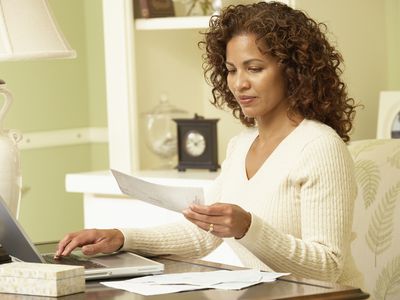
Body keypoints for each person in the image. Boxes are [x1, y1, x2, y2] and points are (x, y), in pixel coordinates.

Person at [55, 1, 363, 288]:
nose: (239, 83)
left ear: (294, 71)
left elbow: (328, 267)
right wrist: (122, 237)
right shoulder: (240, 146)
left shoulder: (320, 146)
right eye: (231, 70)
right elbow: (203, 234)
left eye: (254, 68)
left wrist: (247, 228)